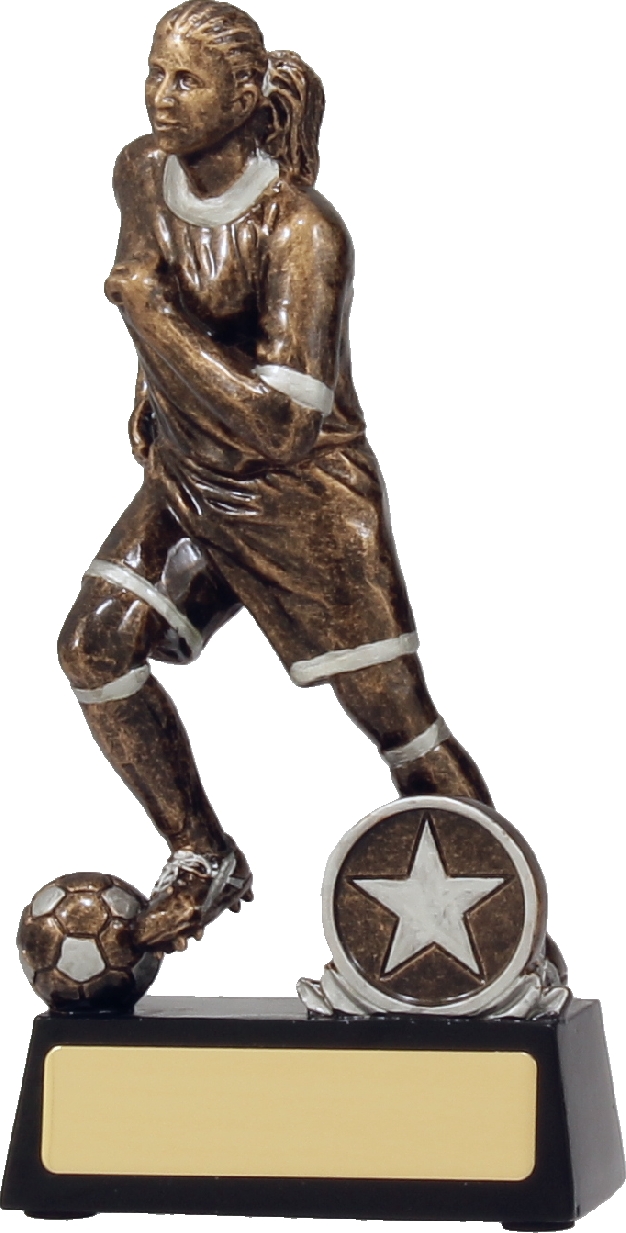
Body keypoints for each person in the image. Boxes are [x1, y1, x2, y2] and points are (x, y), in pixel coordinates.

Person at [58, 0, 491, 952]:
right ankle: (201, 851)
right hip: (190, 479)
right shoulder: (140, 170)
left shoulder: (303, 229)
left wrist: (151, 323)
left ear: (246, 95)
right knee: (94, 647)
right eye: (154, 71)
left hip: (304, 502)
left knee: (399, 722)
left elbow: (284, 424)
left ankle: (507, 932)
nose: (161, 96)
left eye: (187, 79)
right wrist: (148, 387)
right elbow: (148, 275)